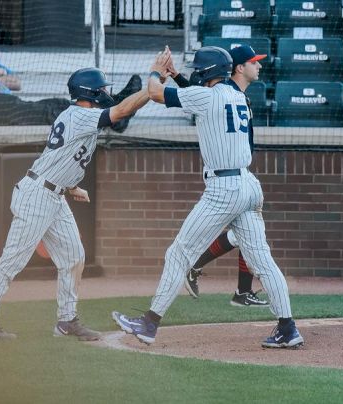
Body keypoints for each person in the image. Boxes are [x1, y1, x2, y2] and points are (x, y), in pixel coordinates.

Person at [112, 46, 304, 348]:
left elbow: (155, 92)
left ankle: (149, 324)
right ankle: (288, 328)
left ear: (205, 72)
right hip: (249, 184)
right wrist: (176, 76)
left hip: (223, 188)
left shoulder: (208, 96)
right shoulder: (237, 95)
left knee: (178, 254)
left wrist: (156, 72)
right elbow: (200, 99)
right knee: (263, 262)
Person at [0, 67, 150, 341]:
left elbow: (61, 157)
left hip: (54, 194)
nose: (106, 93)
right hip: (37, 195)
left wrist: (71, 187)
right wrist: (152, 88)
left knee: (73, 257)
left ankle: (66, 321)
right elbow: (120, 112)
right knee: (12, 262)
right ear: (89, 92)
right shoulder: (80, 114)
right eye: (102, 89)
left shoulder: (79, 116)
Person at [170, 45, 269, 308]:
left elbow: (196, 93)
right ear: (238, 67)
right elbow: (197, 95)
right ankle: (209, 275)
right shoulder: (224, 92)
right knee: (244, 236)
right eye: (253, 62)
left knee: (244, 236)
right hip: (226, 178)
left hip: (241, 175)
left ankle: (241, 291)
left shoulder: (234, 93)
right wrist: (172, 77)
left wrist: (176, 76)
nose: (258, 66)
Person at [0, 14, 141, 129]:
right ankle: (114, 117)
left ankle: (114, 109)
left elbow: (16, 82)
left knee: (58, 103)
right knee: (51, 111)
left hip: (8, 103)